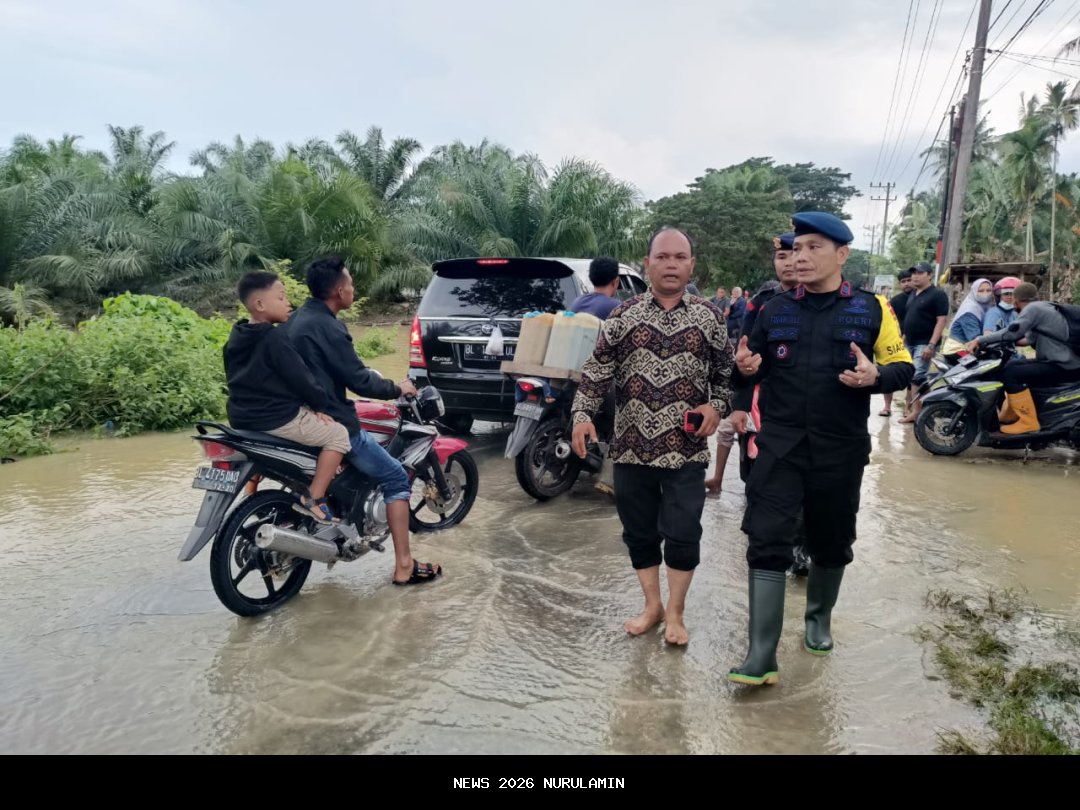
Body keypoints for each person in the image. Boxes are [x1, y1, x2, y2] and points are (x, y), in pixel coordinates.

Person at [727, 212, 913, 686]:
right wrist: (746, 371)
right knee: (767, 540)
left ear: (842, 254)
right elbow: (748, 370)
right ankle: (761, 654)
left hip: (839, 449)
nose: (801, 257)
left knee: (831, 542)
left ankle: (817, 619)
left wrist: (877, 378)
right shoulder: (772, 310)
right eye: (796, 248)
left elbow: (904, 367)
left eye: (814, 248)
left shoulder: (875, 310)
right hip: (780, 447)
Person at [570, 227, 733, 646]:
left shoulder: (710, 317)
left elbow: (725, 376)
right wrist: (582, 414)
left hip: (686, 451)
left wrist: (715, 407)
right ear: (648, 264)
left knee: (682, 533)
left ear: (691, 265)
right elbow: (597, 369)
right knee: (638, 533)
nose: (672, 264)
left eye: (680, 257)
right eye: (662, 257)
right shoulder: (623, 317)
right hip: (631, 447)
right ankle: (652, 606)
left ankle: (676, 612)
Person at [286, 256, 441, 587]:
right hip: (332, 420)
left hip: (296, 416)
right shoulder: (329, 326)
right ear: (340, 291)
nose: (353, 289)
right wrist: (396, 387)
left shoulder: (295, 319)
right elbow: (359, 380)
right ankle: (404, 566)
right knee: (397, 478)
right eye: (352, 284)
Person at [223, 271, 352, 523]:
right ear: (260, 305)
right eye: (281, 298)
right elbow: (302, 379)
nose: (288, 303)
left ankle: (252, 489)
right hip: (275, 418)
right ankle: (315, 498)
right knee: (338, 435)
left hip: (240, 418)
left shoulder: (237, 336)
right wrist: (321, 405)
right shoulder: (273, 338)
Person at [706, 232, 796, 496]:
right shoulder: (761, 301)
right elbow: (745, 354)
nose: (789, 263)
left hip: (798, 402)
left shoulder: (824, 302)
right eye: (781, 256)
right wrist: (741, 404)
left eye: (794, 255)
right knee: (752, 465)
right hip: (760, 392)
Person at [966, 282, 1080, 436]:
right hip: (1064, 363)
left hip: (1064, 366)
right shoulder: (1044, 307)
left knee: (1011, 375)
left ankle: (1028, 423)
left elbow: (1012, 332)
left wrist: (980, 340)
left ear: (1016, 300)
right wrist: (1003, 341)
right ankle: (1012, 413)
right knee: (1014, 364)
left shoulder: (1033, 309)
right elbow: (1025, 339)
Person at [897, 262, 949, 424]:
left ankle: (917, 412)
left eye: (920, 273)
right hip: (910, 341)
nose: (915, 276)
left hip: (925, 343)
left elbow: (941, 321)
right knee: (910, 376)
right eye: (913, 273)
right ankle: (916, 408)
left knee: (917, 376)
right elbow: (910, 317)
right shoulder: (913, 294)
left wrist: (931, 345)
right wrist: (904, 336)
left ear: (929, 275)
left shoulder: (937, 295)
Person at [880, 269, 914, 417]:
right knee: (889, 373)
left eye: (909, 280)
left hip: (916, 342)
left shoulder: (920, 298)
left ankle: (908, 407)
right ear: (900, 284)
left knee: (913, 377)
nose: (906, 284)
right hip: (896, 343)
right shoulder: (895, 301)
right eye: (903, 281)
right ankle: (887, 406)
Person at [949, 278, 994, 343]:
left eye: (988, 290)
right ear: (974, 292)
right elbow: (975, 339)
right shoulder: (970, 310)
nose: (985, 294)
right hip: (957, 350)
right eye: (981, 291)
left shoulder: (985, 307)